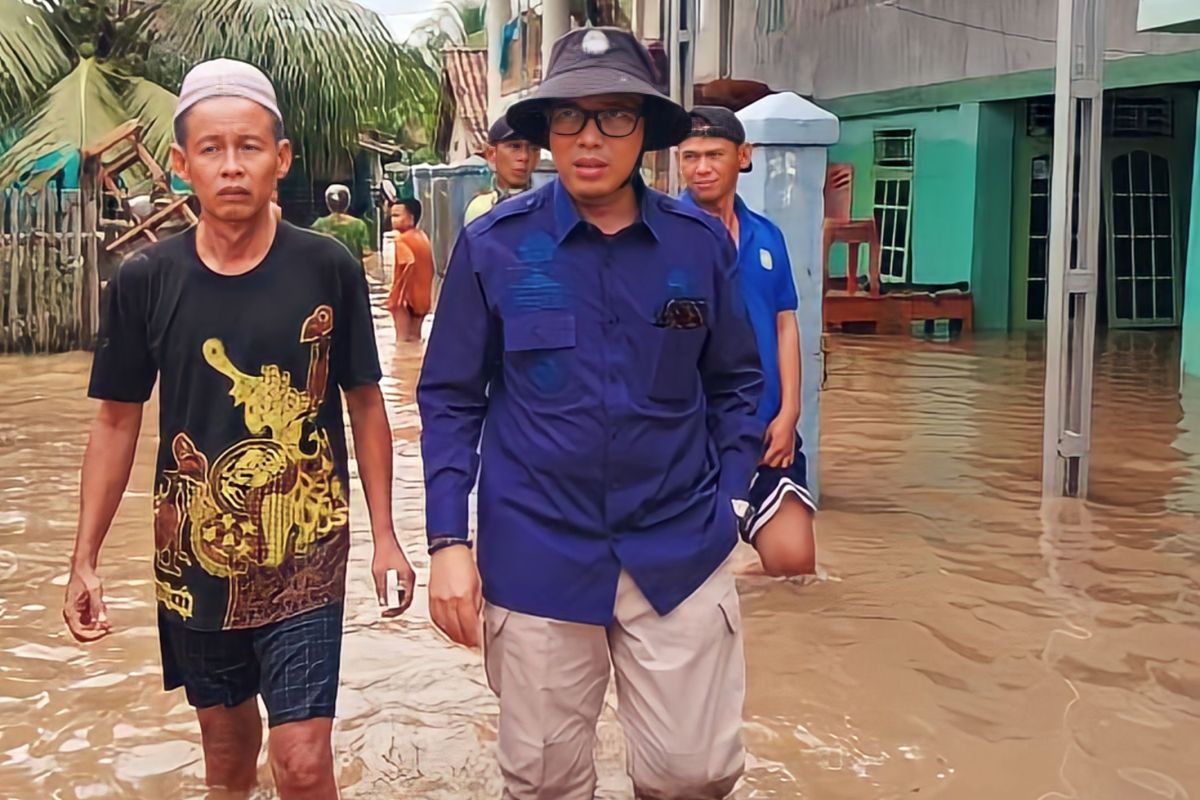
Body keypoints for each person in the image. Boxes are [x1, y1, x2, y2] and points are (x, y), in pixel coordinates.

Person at [418, 28, 763, 799]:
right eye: (569, 117)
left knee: (694, 774)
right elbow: (449, 397)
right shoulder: (494, 248)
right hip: (536, 547)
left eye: (613, 116)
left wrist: (733, 501)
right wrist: (448, 539)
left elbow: (739, 384)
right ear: (545, 131)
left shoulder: (698, 247)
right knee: (543, 781)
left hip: (679, 541)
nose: (590, 138)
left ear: (645, 127)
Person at [63, 59, 416, 800]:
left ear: (280, 159)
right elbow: (116, 420)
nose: (232, 166)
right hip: (196, 556)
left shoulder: (326, 267)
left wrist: (387, 535)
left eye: (250, 147)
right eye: (213, 149)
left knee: (303, 763)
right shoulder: (144, 280)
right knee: (227, 765)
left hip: (304, 552)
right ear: (182, 163)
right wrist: (84, 558)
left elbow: (364, 402)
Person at [679, 106, 818, 578]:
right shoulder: (662, 234)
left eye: (714, 155)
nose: (701, 168)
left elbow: (785, 324)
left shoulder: (768, 236)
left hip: (766, 431)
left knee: (795, 570)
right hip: (688, 436)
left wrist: (790, 413)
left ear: (743, 156)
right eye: (690, 156)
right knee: (688, 578)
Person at [462, 118, 540, 224]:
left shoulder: (549, 207)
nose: (525, 157)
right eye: (515, 146)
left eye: (534, 148)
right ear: (491, 154)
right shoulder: (481, 209)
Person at [384, 198, 433, 343]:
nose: (392, 220)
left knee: (401, 343)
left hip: (406, 301)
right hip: (423, 301)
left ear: (411, 218)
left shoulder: (402, 240)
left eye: (397, 216)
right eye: (392, 216)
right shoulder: (422, 237)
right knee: (415, 340)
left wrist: (397, 298)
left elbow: (408, 263)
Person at [312, 183, 372, 266]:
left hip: (328, 270)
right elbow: (366, 253)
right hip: (352, 270)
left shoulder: (318, 224)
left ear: (328, 203)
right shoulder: (359, 225)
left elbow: (314, 252)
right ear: (348, 202)